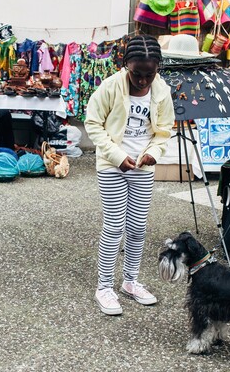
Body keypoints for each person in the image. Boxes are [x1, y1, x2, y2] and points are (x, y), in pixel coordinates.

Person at [85, 35, 175, 316]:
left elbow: (164, 130)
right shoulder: (110, 86)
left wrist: (155, 154)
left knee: (137, 227)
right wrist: (117, 157)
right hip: (113, 166)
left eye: (150, 73)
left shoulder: (162, 90)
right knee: (114, 226)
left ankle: (130, 282)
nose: (144, 80)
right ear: (126, 65)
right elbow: (93, 123)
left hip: (143, 168)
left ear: (158, 68)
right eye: (138, 73)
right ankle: (104, 287)